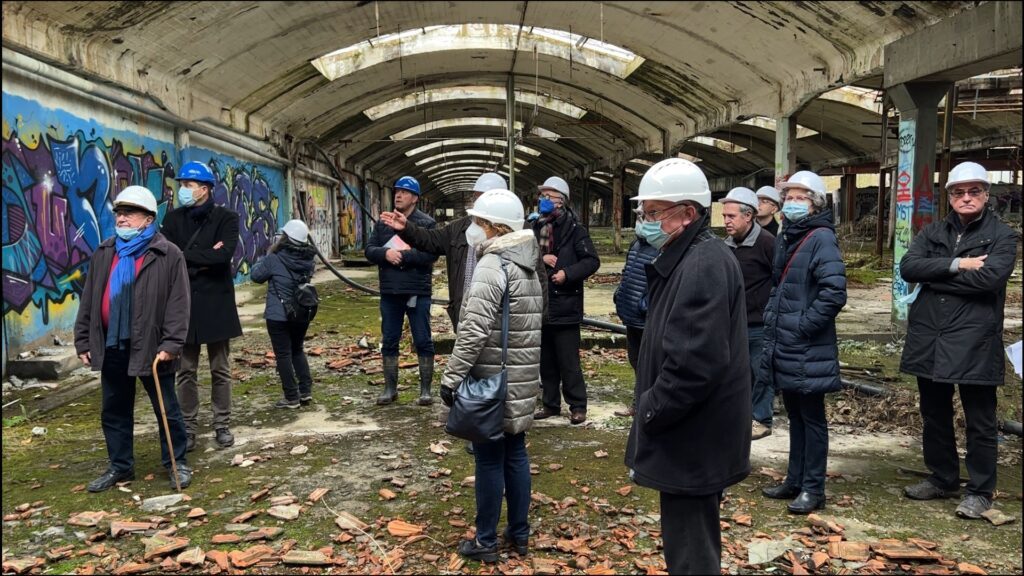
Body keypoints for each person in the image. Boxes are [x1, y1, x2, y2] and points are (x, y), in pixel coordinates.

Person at [623, 158, 751, 574]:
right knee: (689, 540)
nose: (647, 221)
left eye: (656, 212)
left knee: (692, 551)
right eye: (645, 212)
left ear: (688, 213)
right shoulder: (690, 257)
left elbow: (694, 365)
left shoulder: (700, 266)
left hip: (694, 437)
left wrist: (650, 409)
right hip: (696, 435)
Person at [899, 161, 1018, 519]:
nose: (966, 197)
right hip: (930, 336)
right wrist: (958, 265)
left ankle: (980, 491)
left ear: (986, 194)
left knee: (980, 419)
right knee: (934, 412)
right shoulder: (933, 231)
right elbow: (908, 268)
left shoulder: (1003, 235)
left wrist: (934, 274)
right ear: (949, 196)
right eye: (958, 192)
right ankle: (943, 477)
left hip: (974, 339)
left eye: (974, 191)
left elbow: (990, 280)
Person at [439, 189, 543, 563]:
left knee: (487, 459)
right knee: (515, 453)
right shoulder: (528, 263)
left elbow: (473, 331)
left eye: (478, 223)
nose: (472, 229)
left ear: (495, 227)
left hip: (491, 380)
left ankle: (485, 541)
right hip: (521, 376)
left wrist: (451, 379)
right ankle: (519, 534)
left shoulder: (492, 264)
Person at [74, 186, 192, 492]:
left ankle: (176, 462)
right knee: (114, 409)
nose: (122, 218)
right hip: (113, 344)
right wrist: (83, 340)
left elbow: (179, 303)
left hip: (153, 347)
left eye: (130, 213)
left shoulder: (167, 254)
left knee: (166, 406)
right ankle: (121, 467)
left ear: (149, 218)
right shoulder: (105, 252)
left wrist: (171, 344)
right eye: (119, 213)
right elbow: (89, 298)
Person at [759, 170, 847, 515]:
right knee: (794, 416)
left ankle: (814, 488)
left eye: (801, 197)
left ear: (815, 203)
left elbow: (834, 292)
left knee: (812, 418)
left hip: (808, 345)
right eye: (789, 197)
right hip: (788, 342)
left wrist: (803, 326)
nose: (793, 203)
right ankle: (794, 479)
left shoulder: (820, 238)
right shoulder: (790, 234)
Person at [161, 160, 241, 451]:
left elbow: (223, 257)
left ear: (204, 189)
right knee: (186, 371)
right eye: (181, 184)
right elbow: (168, 257)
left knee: (220, 368)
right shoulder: (172, 220)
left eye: (188, 185)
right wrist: (204, 254)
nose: (182, 189)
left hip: (216, 303)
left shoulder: (226, 218)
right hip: (184, 304)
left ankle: (222, 424)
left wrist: (187, 256)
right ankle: (189, 427)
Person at [380, 172, 508, 329]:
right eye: (477, 197)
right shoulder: (458, 228)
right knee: (467, 350)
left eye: (487, 197)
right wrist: (407, 228)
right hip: (466, 310)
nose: (480, 202)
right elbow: (431, 240)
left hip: (504, 314)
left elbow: (534, 277)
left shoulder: (519, 231)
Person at [531, 176, 600, 425]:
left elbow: (591, 261)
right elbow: (525, 256)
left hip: (566, 303)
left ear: (561, 201)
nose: (543, 201)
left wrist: (566, 272)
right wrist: (541, 258)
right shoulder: (536, 227)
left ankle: (577, 405)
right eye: (542, 196)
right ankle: (550, 404)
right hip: (542, 303)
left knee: (569, 361)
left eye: (548, 196)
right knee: (546, 362)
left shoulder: (575, 230)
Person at [364, 176, 439, 406]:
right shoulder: (384, 221)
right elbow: (369, 249)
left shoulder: (426, 224)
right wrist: (385, 254)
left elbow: (431, 253)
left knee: (423, 340)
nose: (398, 195)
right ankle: (390, 389)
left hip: (417, 291)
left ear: (415, 198)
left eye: (404, 192)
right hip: (390, 291)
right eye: (397, 191)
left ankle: (425, 391)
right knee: (389, 340)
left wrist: (404, 256)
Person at [720, 187, 777, 440]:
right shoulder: (726, 246)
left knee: (761, 371)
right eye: (724, 216)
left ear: (748, 216)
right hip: (733, 321)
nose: (726, 221)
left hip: (759, 322)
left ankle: (761, 418)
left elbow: (780, 279)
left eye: (731, 216)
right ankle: (739, 415)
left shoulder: (767, 243)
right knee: (736, 372)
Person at [250, 220, 318, 409]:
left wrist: (269, 253)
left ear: (285, 238)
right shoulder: (309, 260)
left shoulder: (274, 258)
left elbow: (255, 276)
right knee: (297, 349)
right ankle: (305, 391)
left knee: (283, 355)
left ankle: (291, 396)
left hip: (278, 314)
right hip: (301, 312)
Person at [611, 207, 659, 417]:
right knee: (636, 361)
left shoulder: (660, 247)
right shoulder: (636, 244)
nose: (641, 221)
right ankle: (639, 402)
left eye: (645, 216)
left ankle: (646, 405)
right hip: (631, 316)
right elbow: (627, 271)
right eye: (639, 217)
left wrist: (645, 304)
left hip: (647, 317)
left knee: (650, 364)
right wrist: (619, 294)